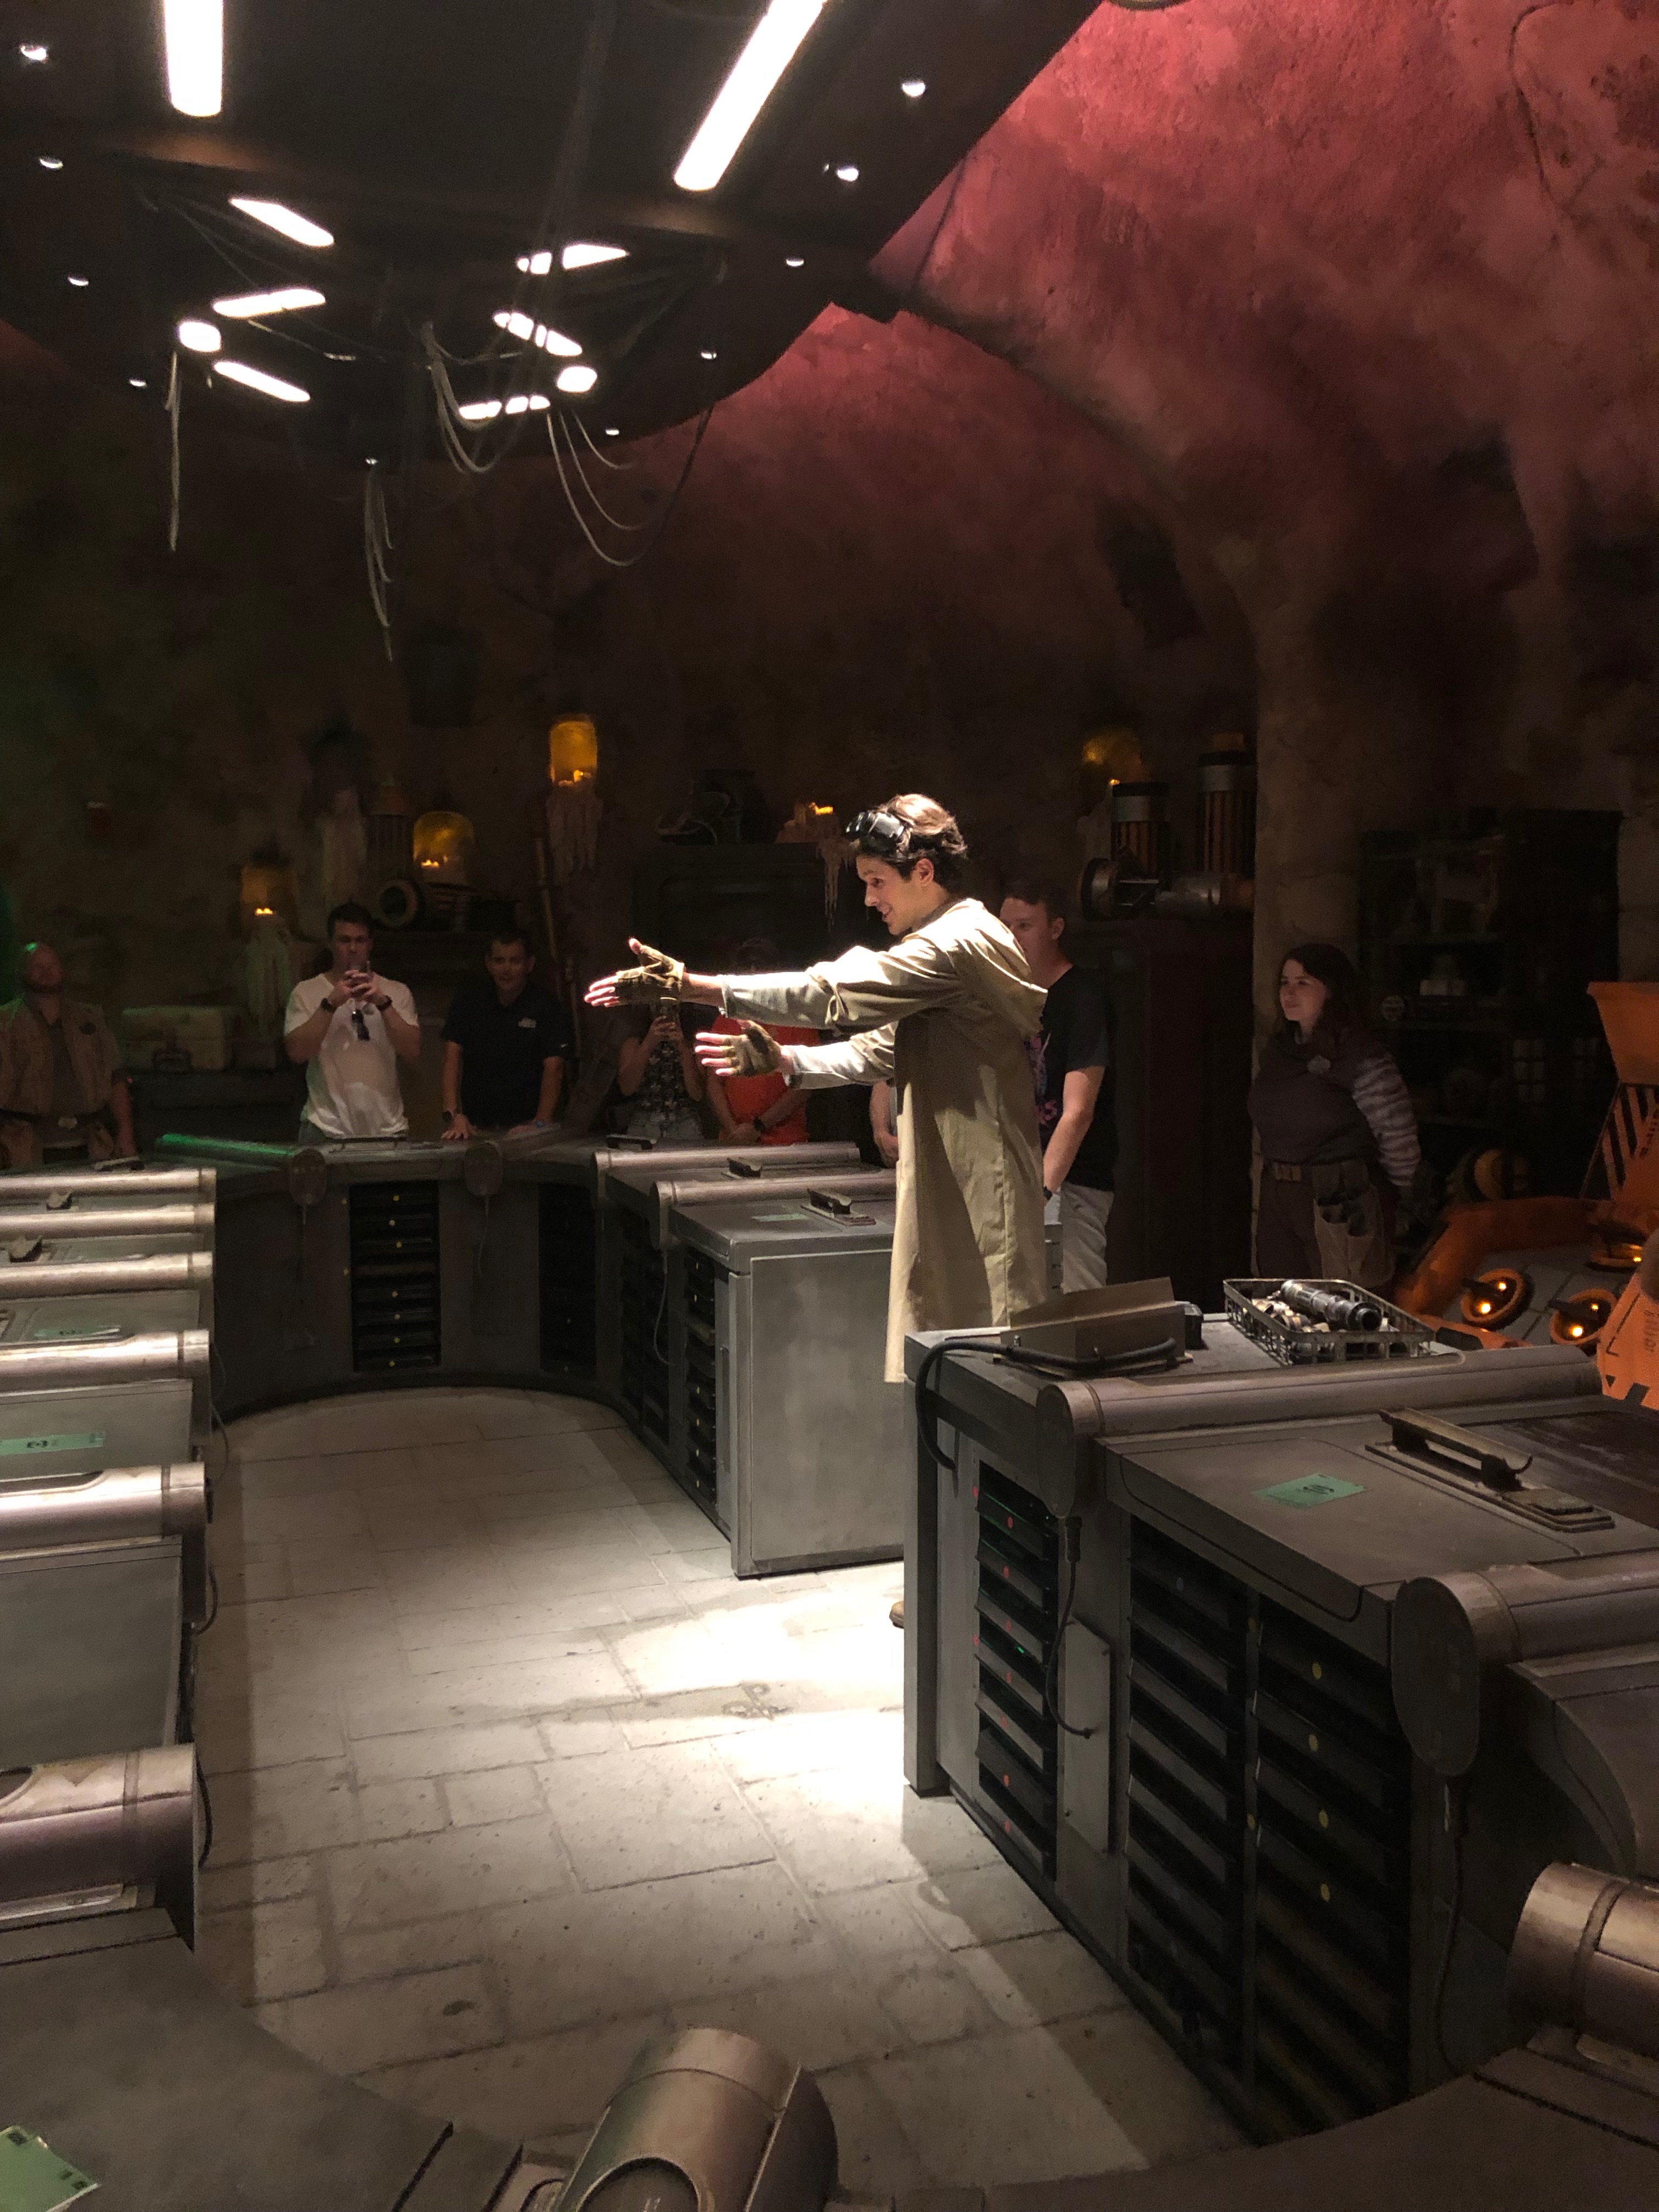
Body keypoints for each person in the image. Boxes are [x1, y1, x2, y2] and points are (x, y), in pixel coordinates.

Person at [586, 793, 1048, 1382]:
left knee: (994, 1357)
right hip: (953, 1174)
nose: (870, 899)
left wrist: (696, 987)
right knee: (951, 1358)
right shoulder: (944, 940)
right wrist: (785, 1058)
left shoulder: (955, 944)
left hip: (983, 1178)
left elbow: (830, 992)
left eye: (877, 882)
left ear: (923, 872)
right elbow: (883, 1048)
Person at [1249, 941, 1420, 1288]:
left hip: (1338, 1198)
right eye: (1285, 983)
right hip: (1279, 1194)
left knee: (1340, 1303)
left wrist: (1396, 1199)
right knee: (1280, 1302)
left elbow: (1398, 1137)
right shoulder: (1280, 1052)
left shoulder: (1360, 1056)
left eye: (1303, 983)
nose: (1290, 993)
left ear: (1331, 989)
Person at [999, 881, 1116, 1293]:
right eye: (1005, 927)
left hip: (1073, 1179)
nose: (1012, 938)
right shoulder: (1010, 995)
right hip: (1019, 1176)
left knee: (1077, 1303)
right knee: (1024, 1304)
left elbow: (1079, 1111)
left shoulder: (1083, 997)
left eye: (1025, 926)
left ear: (1056, 928)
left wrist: (1042, 1190)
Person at [283, 902, 421, 1141]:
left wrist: (383, 1004)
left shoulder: (397, 992)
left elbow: (413, 1052)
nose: (353, 948)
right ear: (330, 944)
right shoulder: (306, 992)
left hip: (387, 1130)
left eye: (360, 940)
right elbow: (297, 1053)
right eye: (345, 941)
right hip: (326, 1129)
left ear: (370, 944)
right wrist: (330, 1004)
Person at [0, 941, 137, 1167]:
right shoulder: (5, 1025)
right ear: (22, 972)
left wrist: (125, 1132)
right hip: (22, 1146)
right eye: (37, 967)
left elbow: (115, 1077)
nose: (46, 972)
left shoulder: (90, 1020)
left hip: (90, 1144)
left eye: (52, 965)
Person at [439, 928, 574, 1141]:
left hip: (528, 1128)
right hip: (475, 1127)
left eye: (515, 961)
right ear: (489, 963)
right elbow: (452, 1056)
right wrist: (453, 1115)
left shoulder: (547, 1007)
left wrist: (540, 1123)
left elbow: (555, 1068)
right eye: (499, 961)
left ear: (529, 964)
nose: (507, 969)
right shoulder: (469, 1001)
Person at [704, 938, 815, 1147]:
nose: (753, 970)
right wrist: (734, 1131)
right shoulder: (726, 1018)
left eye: (761, 964)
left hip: (787, 1143)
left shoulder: (797, 1017)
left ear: (776, 970)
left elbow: (806, 1083)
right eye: (746, 965)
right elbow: (714, 1083)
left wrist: (758, 1127)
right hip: (734, 1140)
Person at [614, 998, 707, 1143]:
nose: (664, 1012)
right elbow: (627, 1089)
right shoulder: (634, 1043)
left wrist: (682, 1046)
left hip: (685, 1121)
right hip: (643, 1123)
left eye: (671, 1007)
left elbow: (698, 1094)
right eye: (658, 1007)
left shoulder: (694, 1042)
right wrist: (648, 1045)